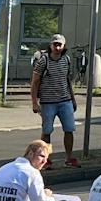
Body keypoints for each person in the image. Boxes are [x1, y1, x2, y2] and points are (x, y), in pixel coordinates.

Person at [30, 33, 80, 168]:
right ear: (51, 45)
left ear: (64, 46)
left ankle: (69, 157)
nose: (57, 47)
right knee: (47, 131)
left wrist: (73, 99)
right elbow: (35, 82)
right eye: (55, 45)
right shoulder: (43, 61)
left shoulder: (66, 60)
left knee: (69, 129)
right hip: (48, 101)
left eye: (60, 45)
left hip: (65, 100)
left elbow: (67, 80)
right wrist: (35, 102)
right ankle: (45, 159)